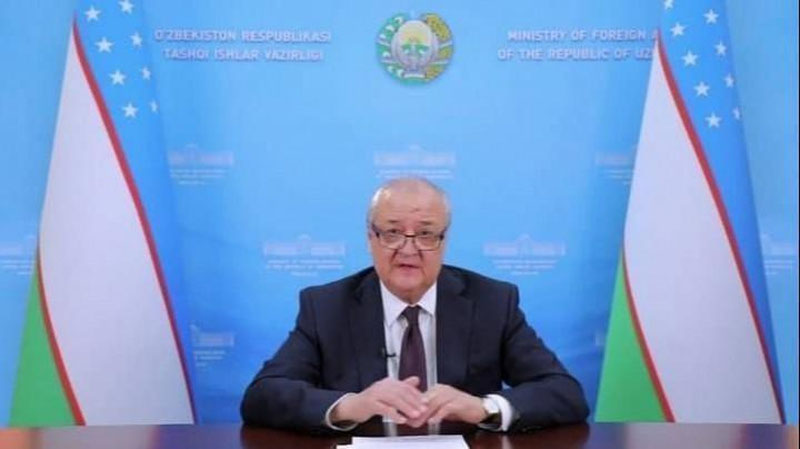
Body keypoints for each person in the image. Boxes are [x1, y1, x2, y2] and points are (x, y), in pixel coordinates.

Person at [241, 178, 589, 433]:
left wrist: (483, 408)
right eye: (392, 233)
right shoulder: (326, 306)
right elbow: (262, 396)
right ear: (370, 238)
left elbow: (565, 393)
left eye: (425, 234)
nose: (408, 250)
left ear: (444, 240)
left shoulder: (492, 302)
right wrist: (350, 406)